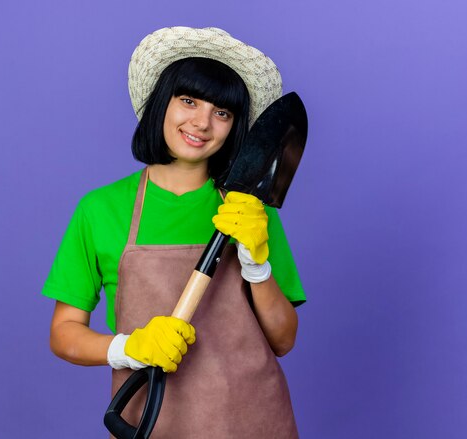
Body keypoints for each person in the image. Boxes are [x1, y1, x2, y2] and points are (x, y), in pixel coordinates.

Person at [42, 26, 306, 438]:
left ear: (235, 126)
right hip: (152, 418)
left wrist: (257, 267)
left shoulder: (249, 212)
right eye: (188, 101)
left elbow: (283, 339)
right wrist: (129, 347)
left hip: (254, 419)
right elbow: (64, 335)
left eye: (222, 112)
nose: (202, 123)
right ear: (160, 103)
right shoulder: (100, 210)